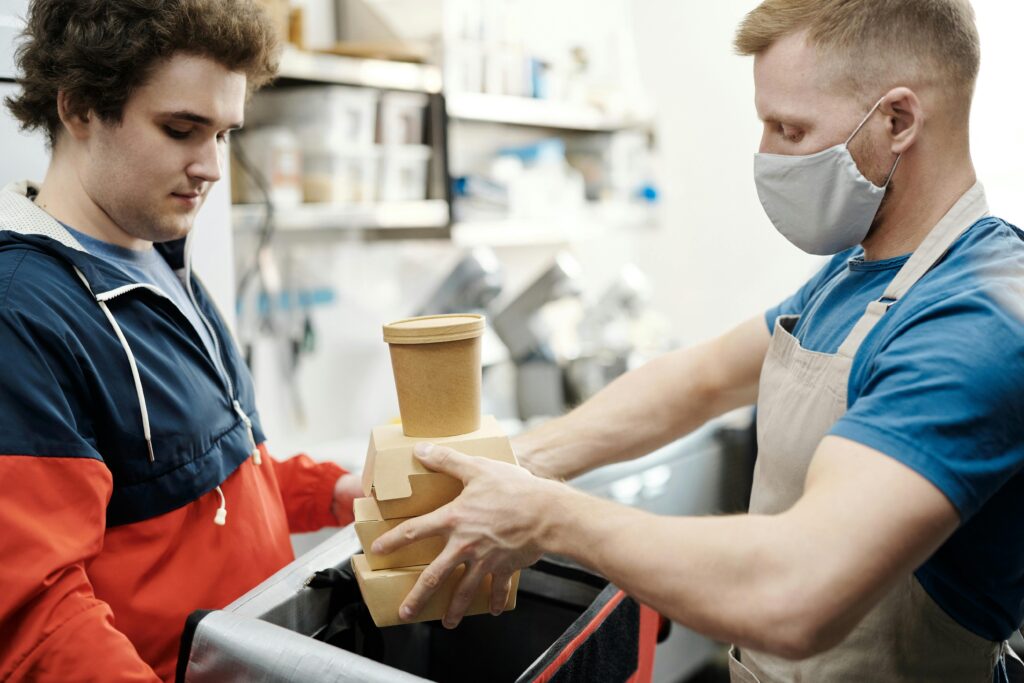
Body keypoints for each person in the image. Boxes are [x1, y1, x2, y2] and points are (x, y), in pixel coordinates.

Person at [373, 1, 1024, 680]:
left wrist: (546, 517)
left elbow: (797, 592)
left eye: (791, 129)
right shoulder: (853, 273)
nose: (767, 156)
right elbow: (702, 379)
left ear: (898, 120)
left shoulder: (977, 317)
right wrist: (511, 464)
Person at [0, 1, 362, 681]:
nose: (212, 167)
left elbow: (213, 488)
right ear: (79, 109)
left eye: (223, 134)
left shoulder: (161, 263)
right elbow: (35, 617)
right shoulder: (21, 311)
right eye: (181, 129)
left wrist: (338, 491)